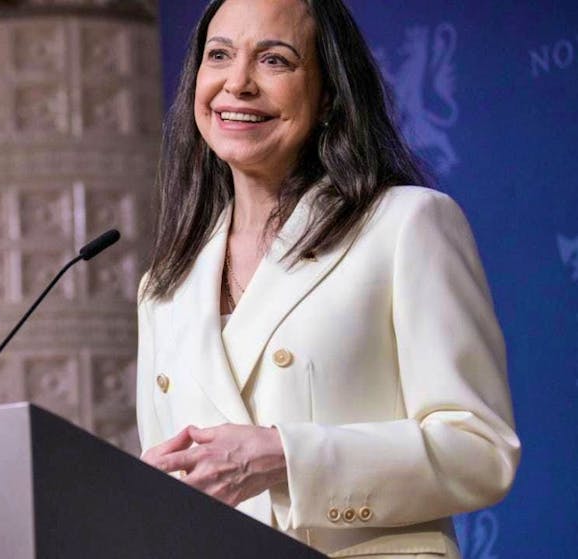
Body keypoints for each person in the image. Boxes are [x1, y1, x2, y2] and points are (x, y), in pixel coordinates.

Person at [135, 1, 520, 557]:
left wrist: (286, 457)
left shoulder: (406, 224)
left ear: (329, 96)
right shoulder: (164, 287)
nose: (237, 83)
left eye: (274, 60)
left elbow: (481, 451)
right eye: (218, 56)